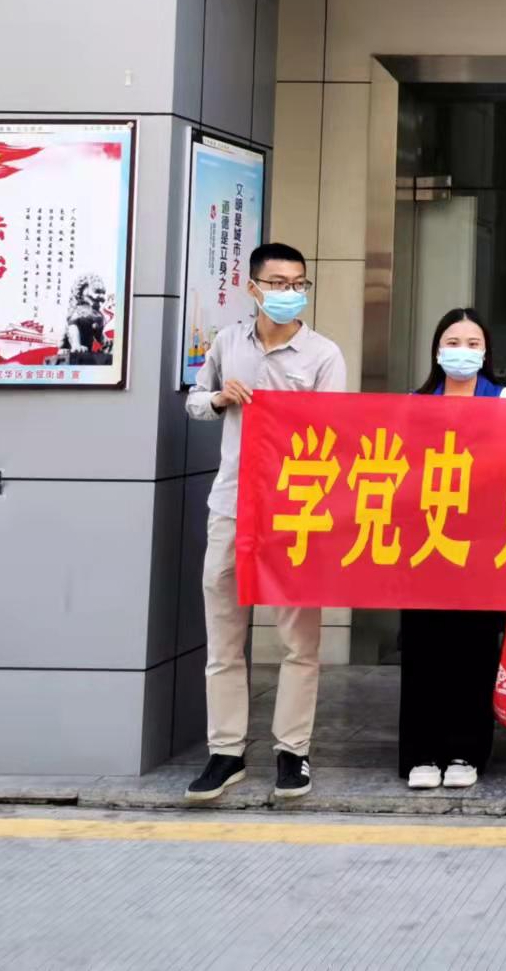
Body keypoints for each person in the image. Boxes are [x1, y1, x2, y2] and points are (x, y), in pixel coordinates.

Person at [184, 243, 346, 801]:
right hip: (232, 506)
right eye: (277, 283)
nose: (289, 293)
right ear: (253, 288)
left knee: (299, 640)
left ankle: (292, 751)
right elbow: (194, 402)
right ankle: (225, 752)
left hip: (295, 511)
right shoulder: (228, 344)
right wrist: (219, 399)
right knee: (224, 636)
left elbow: (336, 431)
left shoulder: (324, 354)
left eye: (298, 283)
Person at [399, 309, 506, 791]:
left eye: (472, 343)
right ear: (436, 350)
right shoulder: (415, 402)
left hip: (481, 545)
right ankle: (422, 752)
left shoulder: (503, 399)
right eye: (452, 342)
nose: (462, 352)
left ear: (485, 353)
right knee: (425, 650)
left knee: (473, 650)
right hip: (425, 544)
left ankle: (466, 751)